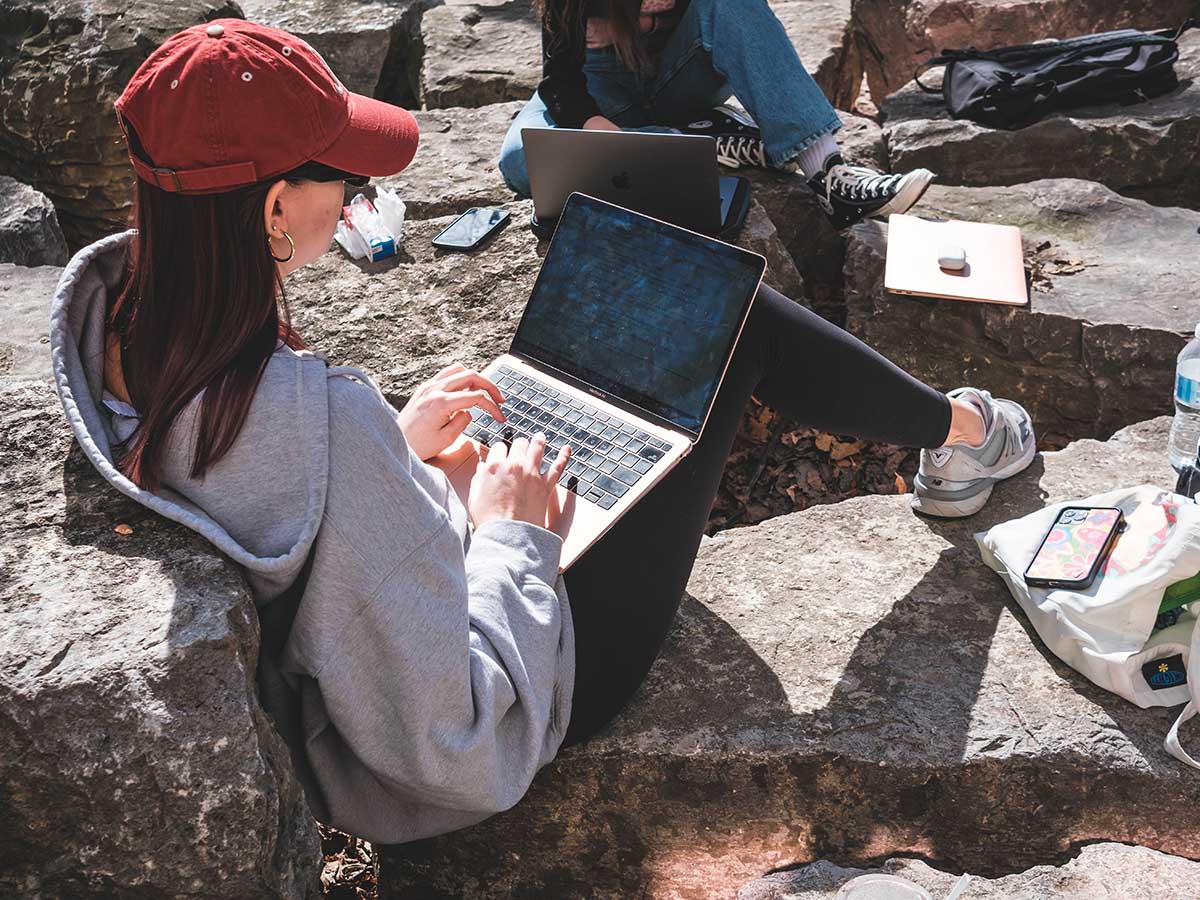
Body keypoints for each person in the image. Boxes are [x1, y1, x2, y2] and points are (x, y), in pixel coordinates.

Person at [50, 20, 1034, 845]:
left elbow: (307, 534)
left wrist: (397, 452)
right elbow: (464, 745)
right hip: (528, 678)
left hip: (393, 627)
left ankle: (945, 428)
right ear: (272, 209)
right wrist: (514, 530)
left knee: (601, 356)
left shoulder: (119, 333)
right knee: (725, 315)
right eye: (343, 177)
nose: (355, 196)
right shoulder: (318, 422)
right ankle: (960, 431)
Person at [498, 0, 936, 229]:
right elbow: (561, 84)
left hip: (681, 72)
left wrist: (633, 24)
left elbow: (737, 22)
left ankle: (827, 174)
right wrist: (612, 144)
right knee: (521, 159)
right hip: (603, 92)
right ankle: (700, 137)